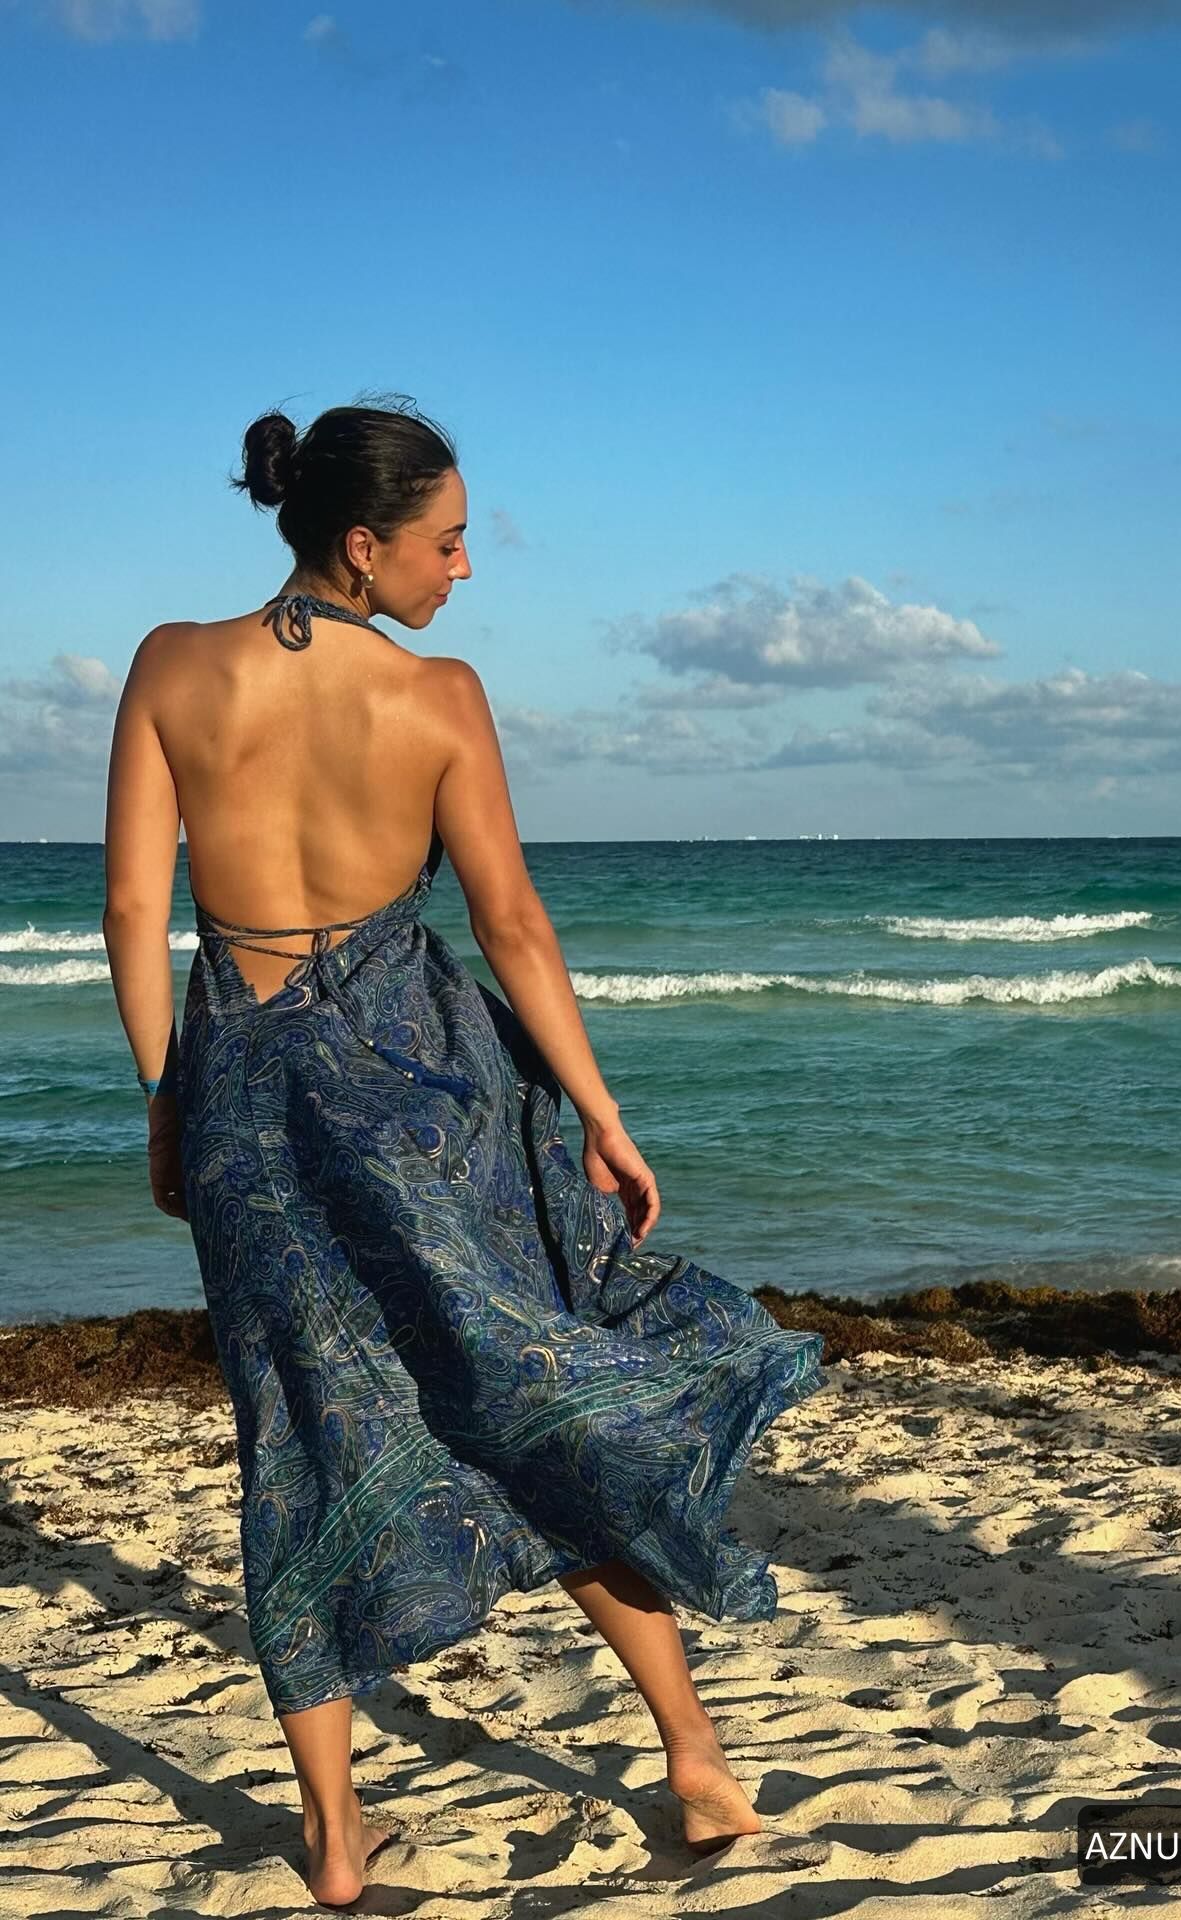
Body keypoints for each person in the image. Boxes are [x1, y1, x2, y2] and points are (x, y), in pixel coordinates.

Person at [101, 398, 826, 1907]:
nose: (467, 568)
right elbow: (511, 924)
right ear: (364, 546)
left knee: (297, 1434)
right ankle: (692, 1753)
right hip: (423, 1095)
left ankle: (335, 1835)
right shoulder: (437, 698)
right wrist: (604, 1115)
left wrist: (169, 1097)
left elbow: (129, 913)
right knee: (528, 1395)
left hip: (244, 1102)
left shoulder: (170, 663)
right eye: (449, 541)